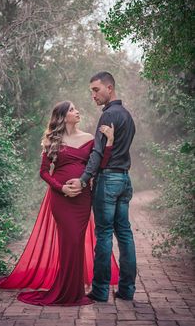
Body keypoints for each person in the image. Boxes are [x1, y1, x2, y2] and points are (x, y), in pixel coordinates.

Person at [0, 100, 119, 306]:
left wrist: (109, 143)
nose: (77, 111)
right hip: (61, 199)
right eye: (73, 109)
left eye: (76, 108)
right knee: (68, 243)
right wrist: (61, 188)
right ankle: (66, 291)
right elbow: (44, 172)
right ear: (64, 116)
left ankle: (73, 290)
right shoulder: (52, 141)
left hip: (83, 198)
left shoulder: (90, 138)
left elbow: (100, 165)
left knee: (76, 242)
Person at [67, 72, 137, 302]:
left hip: (108, 181)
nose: (93, 95)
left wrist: (85, 178)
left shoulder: (108, 116)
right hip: (124, 180)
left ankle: (99, 290)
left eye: (96, 90)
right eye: (91, 91)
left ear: (109, 88)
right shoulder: (127, 116)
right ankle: (126, 291)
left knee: (105, 234)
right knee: (124, 234)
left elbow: (98, 152)